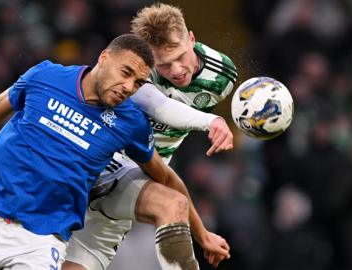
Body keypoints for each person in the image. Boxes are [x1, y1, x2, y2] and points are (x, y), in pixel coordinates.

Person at [0, 34, 182, 270]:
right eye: (126, 73)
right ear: (104, 58)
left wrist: (201, 232)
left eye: (137, 83)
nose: (128, 87)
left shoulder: (130, 121)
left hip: (41, 241)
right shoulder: (46, 75)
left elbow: (164, 176)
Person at [63, 3, 237, 270]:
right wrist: (211, 121)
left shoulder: (222, 75)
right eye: (164, 65)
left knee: (81, 262)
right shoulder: (138, 75)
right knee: (173, 204)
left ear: (191, 38)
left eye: (180, 57)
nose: (176, 70)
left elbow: (178, 128)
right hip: (100, 163)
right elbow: (162, 108)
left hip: (146, 170)